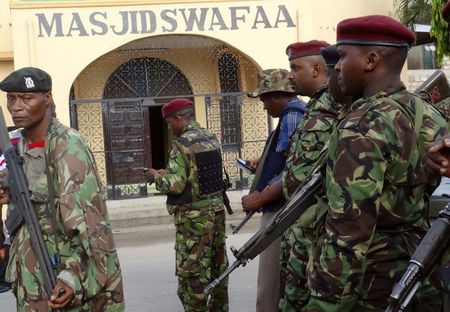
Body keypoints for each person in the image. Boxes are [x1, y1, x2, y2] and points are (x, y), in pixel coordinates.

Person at [303, 15, 447, 311]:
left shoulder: (361, 124)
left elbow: (348, 233)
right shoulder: (429, 114)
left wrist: (325, 304)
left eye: (343, 57)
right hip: (418, 271)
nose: (338, 67)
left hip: (370, 285)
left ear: (370, 60)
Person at [0, 67, 125, 311]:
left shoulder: (67, 147)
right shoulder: (17, 145)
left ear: (47, 99)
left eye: (27, 98)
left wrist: (71, 277)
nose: (16, 106)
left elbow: (93, 228)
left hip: (65, 279)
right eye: (11, 98)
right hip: (31, 281)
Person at [146, 98, 228, 311]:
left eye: (169, 122)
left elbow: (175, 184)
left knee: (192, 277)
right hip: (216, 214)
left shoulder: (181, 145)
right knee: (217, 269)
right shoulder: (210, 137)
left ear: (179, 119)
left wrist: (155, 176)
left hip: (194, 222)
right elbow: (199, 176)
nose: (169, 127)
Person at [242, 68, 306, 312]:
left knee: (269, 286)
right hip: (282, 209)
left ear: (276, 96)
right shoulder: (292, 115)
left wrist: (259, 198)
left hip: (280, 211)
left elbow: (293, 169)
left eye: (264, 99)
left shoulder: (292, 115)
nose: (264, 106)